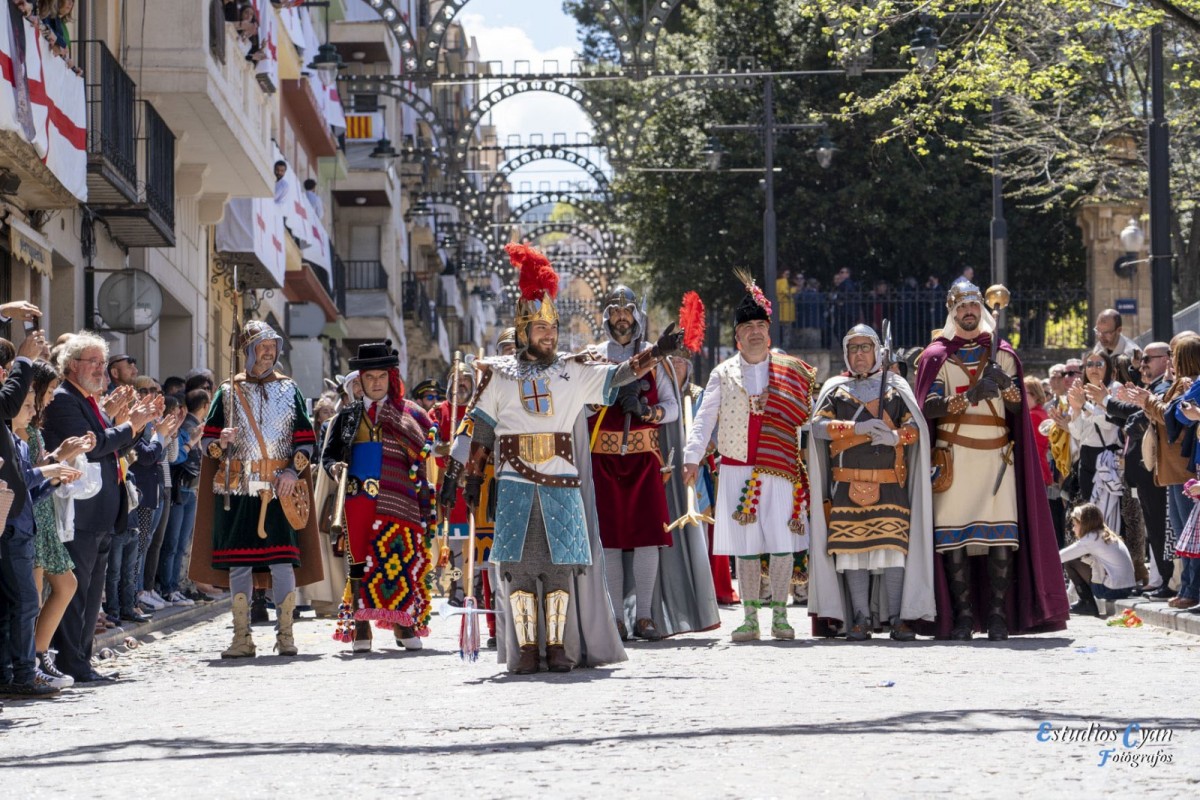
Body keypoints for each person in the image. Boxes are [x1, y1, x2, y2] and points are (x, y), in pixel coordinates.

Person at [446, 242, 683, 674]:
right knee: (518, 572)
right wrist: (464, 476)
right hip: (516, 486)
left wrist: (656, 354)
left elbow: (619, 374)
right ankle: (525, 651)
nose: (549, 335)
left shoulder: (572, 371)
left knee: (559, 574)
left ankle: (556, 650)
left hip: (561, 485)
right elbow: (478, 428)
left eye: (552, 328)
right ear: (523, 331)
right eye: (539, 329)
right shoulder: (499, 377)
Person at [914, 281, 1069, 640]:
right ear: (952, 312)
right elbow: (928, 406)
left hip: (997, 458)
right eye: (961, 307)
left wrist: (1006, 388)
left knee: (1001, 539)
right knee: (953, 540)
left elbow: (1017, 409)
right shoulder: (937, 355)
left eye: (973, 306)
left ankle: (999, 617)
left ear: (980, 309)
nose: (968, 312)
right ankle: (964, 618)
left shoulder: (1003, 354)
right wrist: (969, 396)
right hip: (954, 457)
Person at [683, 272, 817, 642]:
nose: (755, 332)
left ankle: (780, 618)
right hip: (737, 468)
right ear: (737, 336)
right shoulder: (722, 373)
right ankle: (748, 619)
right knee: (745, 548)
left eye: (761, 325)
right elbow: (704, 418)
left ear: (768, 332)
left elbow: (806, 416)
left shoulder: (790, 370)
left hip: (781, 468)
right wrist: (692, 457)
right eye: (748, 327)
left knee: (780, 543)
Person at [190, 321, 323, 659]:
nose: (269, 352)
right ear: (248, 350)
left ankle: (285, 634)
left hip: (280, 489)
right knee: (240, 565)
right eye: (262, 346)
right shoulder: (228, 391)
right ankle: (241, 636)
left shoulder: (289, 389)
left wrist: (293, 471)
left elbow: (306, 439)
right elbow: (207, 442)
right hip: (237, 489)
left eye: (273, 345)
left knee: (282, 562)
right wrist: (220, 442)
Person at [43, 332, 158, 683]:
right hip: (81, 511)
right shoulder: (64, 400)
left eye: (101, 363)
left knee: (92, 592)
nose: (100, 370)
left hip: (102, 511)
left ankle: (83, 659)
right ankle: (69, 662)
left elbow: (115, 446)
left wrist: (131, 427)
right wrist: (130, 425)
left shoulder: (89, 400)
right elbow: (92, 449)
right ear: (72, 365)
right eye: (92, 362)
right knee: (76, 591)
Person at [807, 325, 934, 641]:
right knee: (852, 553)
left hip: (890, 485)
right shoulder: (836, 389)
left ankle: (897, 619)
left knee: (892, 552)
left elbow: (915, 431)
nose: (859, 354)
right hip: (847, 487)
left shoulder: (896, 387)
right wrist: (856, 427)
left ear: (878, 352)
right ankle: (860, 619)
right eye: (853, 348)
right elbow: (818, 427)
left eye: (865, 348)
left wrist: (893, 436)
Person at [321, 342, 436, 653]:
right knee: (358, 562)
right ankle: (361, 626)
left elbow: (426, 448)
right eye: (369, 377)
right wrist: (335, 469)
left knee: (399, 558)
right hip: (358, 498)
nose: (375, 383)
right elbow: (328, 456)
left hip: (399, 497)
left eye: (381, 377)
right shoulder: (346, 416)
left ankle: (402, 622)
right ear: (360, 379)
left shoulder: (409, 412)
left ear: (390, 377)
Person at [588, 285, 679, 641]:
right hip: (604, 461)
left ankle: (644, 617)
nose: (621, 317)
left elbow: (672, 408)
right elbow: (579, 405)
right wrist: (604, 398)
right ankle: (615, 619)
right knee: (609, 540)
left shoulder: (657, 358)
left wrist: (647, 410)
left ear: (636, 316)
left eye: (627, 311)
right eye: (615, 311)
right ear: (607, 316)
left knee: (647, 538)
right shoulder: (593, 358)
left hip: (645, 461)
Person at [23, 359, 93, 688]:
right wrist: (60, 458)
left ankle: (38, 655)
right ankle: (30, 662)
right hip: (31, 516)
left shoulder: (35, 426)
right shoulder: (22, 425)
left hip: (44, 514)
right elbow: (31, 471)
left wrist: (63, 464)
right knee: (35, 596)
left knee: (64, 586)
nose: (52, 397)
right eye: (49, 390)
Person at [1060, 503, 1138, 615]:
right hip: (1127, 587)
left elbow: (1060, 557)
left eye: (1075, 524)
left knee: (1071, 562)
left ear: (1083, 524)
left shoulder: (1091, 538)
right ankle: (1084, 602)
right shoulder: (1105, 534)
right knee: (1081, 559)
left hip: (1111, 590)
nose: (1073, 528)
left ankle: (1087, 603)